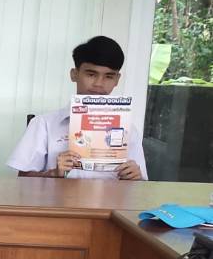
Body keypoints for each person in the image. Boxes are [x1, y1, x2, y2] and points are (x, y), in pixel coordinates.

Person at [8, 36, 147, 180]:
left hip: (112, 195)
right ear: (74, 74)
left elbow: (141, 185)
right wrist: (53, 174)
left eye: (109, 76)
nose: (99, 84)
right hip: (59, 196)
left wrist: (136, 178)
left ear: (117, 80)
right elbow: (23, 179)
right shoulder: (43, 124)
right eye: (91, 74)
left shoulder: (129, 130)